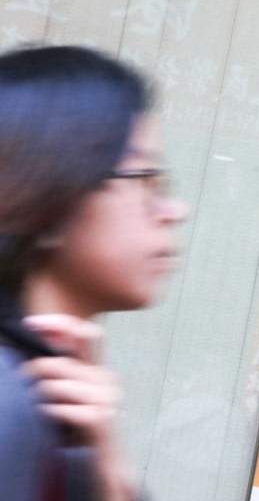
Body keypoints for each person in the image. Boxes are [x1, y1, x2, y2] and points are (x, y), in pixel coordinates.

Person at [0, 45, 188, 500]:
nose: (174, 210)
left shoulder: (50, 391)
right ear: (51, 189)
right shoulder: (12, 399)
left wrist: (110, 471)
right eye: (143, 178)